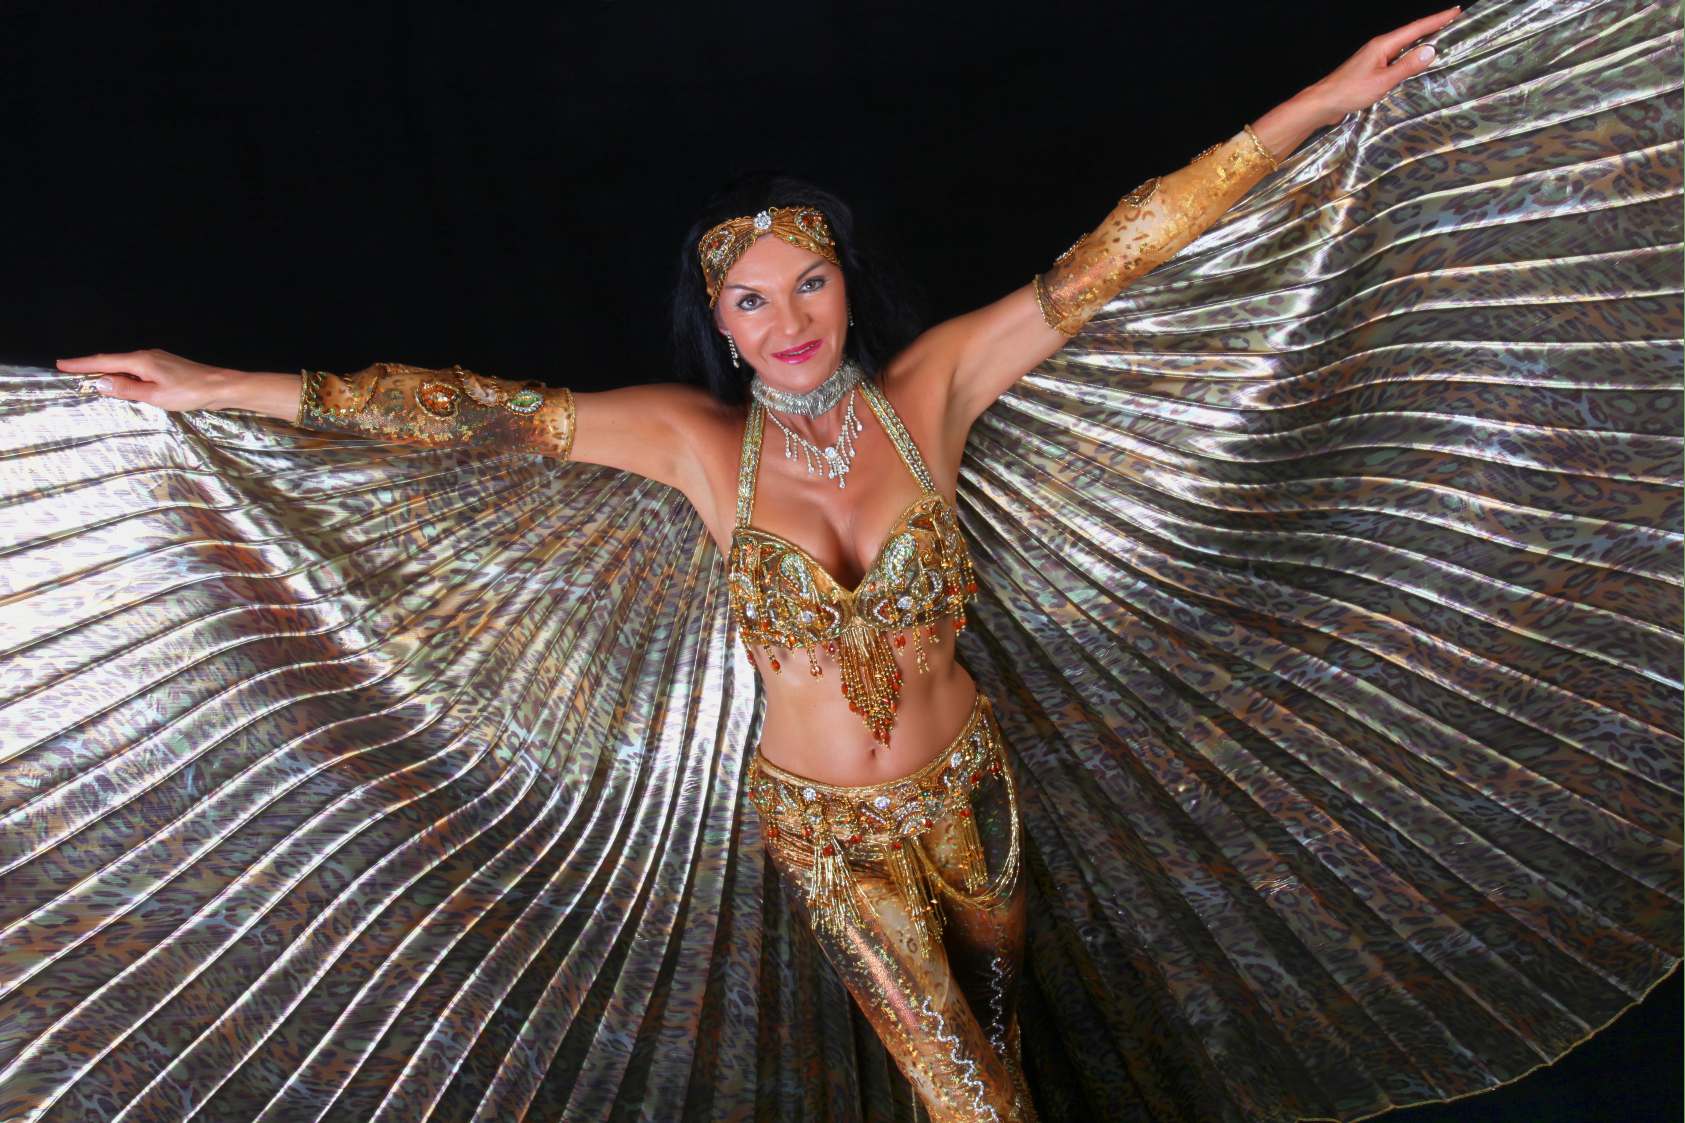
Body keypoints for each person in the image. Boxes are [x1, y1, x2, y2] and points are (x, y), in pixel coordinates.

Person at [6, 1, 1678, 1119]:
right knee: (966, 1100)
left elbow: (1119, 251)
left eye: (805, 283)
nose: (786, 318)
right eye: (750, 299)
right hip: (826, 835)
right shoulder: (688, 444)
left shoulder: (931, 388)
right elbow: (453, 413)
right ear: (719, 325)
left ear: (841, 286)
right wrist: (216, 385)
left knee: (1015, 1048)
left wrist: (1319, 103)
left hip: (978, 794)